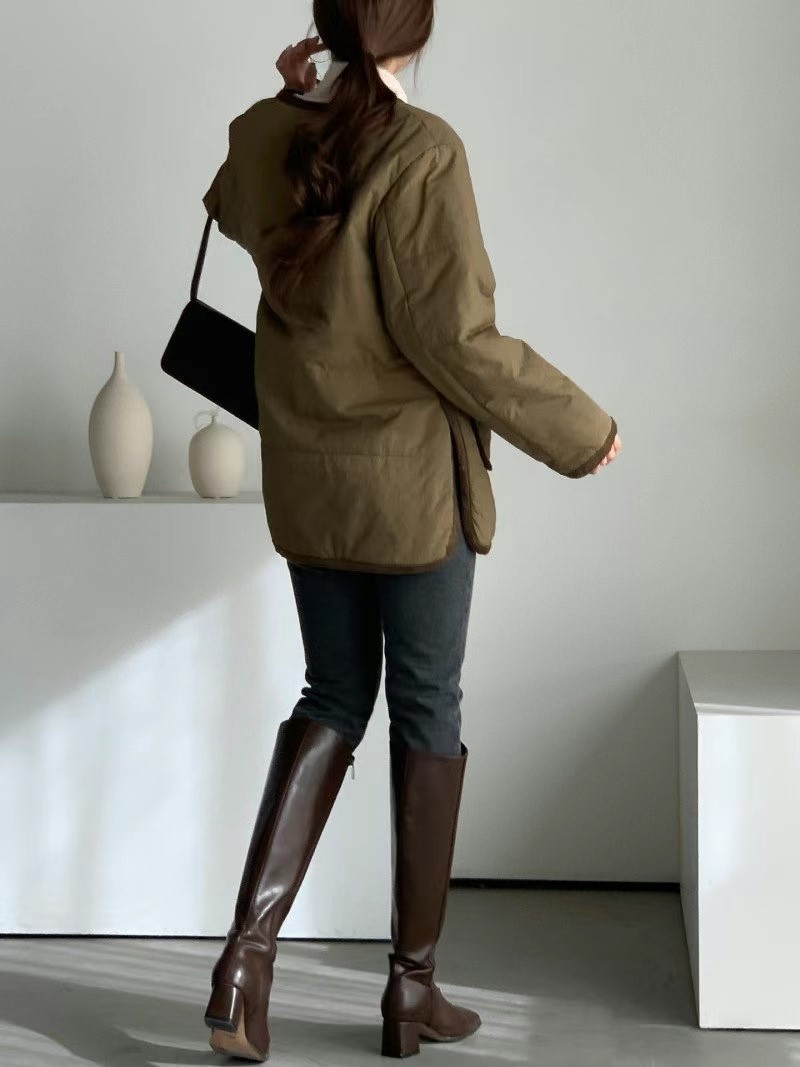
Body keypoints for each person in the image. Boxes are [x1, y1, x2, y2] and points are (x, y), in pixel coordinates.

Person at [200, 1, 622, 1060]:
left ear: (329, 27)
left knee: (332, 693)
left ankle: (243, 963)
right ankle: (409, 988)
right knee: (426, 703)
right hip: (412, 493)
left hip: (310, 480)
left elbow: (234, 205)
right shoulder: (424, 151)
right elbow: (454, 338)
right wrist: (581, 431)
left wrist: (294, 98)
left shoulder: (264, 132)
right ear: (412, 33)